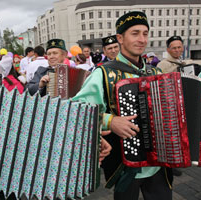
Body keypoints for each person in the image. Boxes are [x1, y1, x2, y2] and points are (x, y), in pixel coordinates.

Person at [72, 11, 173, 200]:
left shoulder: (156, 72)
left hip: (160, 163)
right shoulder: (102, 73)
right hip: (126, 165)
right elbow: (75, 112)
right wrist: (111, 121)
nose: (142, 39)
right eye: (135, 33)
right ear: (120, 38)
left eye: (145, 33)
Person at [27, 38, 111, 162]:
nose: (51, 57)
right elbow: (28, 91)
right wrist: (40, 85)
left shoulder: (81, 73)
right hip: (47, 123)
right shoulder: (41, 71)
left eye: (55, 53)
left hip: (72, 124)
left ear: (64, 55)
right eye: (49, 54)